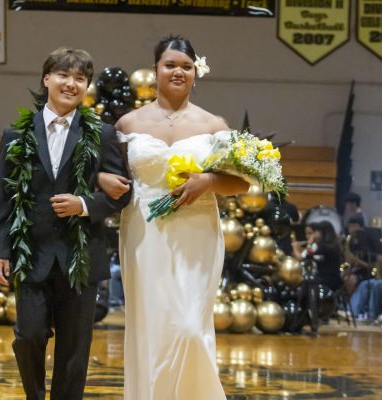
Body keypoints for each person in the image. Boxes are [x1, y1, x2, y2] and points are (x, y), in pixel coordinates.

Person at [98, 36, 248, 399]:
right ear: (155, 71)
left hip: (196, 231)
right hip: (143, 231)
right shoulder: (129, 123)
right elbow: (106, 171)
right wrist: (101, 178)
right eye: (170, 65)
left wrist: (209, 180)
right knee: (150, 326)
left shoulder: (214, 124)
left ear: (197, 72)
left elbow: (240, 184)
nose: (178, 71)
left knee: (189, 327)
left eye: (186, 66)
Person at [0, 47, 131, 400]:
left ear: (87, 86)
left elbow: (122, 194)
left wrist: (83, 204)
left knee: (75, 347)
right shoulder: (15, 134)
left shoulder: (103, 134)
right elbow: (1, 201)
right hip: (31, 254)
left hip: (80, 257)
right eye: (64, 75)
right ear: (47, 78)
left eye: (80, 78)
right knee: (29, 334)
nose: (71, 84)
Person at [292, 221, 343, 291]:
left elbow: (306, 258)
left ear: (323, 233)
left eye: (316, 232)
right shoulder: (329, 246)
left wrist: (308, 244)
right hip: (327, 278)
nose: (314, 235)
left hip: (329, 280)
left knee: (303, 281)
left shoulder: (325, 248)